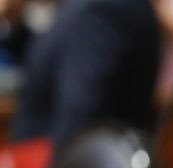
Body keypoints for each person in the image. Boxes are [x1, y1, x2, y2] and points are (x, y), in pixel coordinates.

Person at [9, 0, 161, 150]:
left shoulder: (100, 9)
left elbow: (77, 122)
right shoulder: (81, 8)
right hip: (49, 155)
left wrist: (55, 165)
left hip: (67, 159)